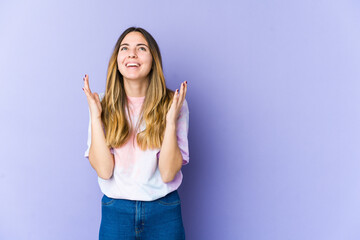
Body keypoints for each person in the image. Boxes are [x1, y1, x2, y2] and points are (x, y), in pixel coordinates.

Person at [82, 27, 189, 240]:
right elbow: (104, 170)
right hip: (116, 212)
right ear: (117, 60)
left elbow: (168, 174)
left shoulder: (175, 103)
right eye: (125, 48)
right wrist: (95, 117)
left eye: (141, 48)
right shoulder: (101, 103)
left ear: (153, 60)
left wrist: (169, 122)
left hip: (164, 210)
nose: (132, 54)